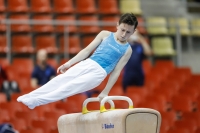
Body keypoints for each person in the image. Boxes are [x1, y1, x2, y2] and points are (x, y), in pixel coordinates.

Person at [17, 13, 138, 109]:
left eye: (128, 32)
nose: (123, 34)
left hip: (99, 73)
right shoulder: (105, 34)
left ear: (133, 32)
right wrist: (68, 63)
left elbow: (116, 72)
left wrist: (105, 92)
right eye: (122, 29)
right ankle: (31, 96)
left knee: (69, 87)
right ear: (117, 25)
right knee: (60, 80)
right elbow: (86, 51)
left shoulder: (127, 50)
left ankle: (37, 101)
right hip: (88, 63)